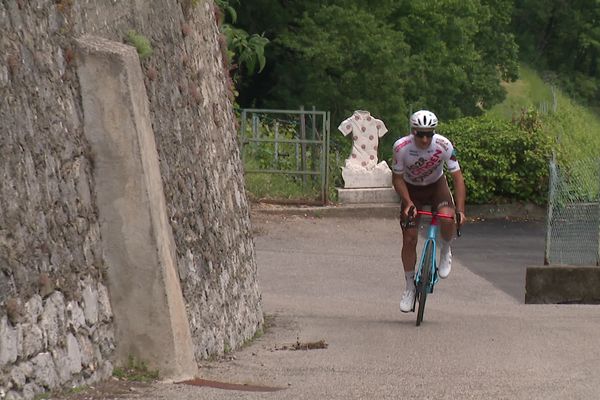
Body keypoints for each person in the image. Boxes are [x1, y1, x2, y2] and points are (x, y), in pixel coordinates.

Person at [391, 110, 466, 313]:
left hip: (436, 186)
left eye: (429, 134)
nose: (424, 139)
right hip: (411, 190)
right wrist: (407, 202)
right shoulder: (401, 147)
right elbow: (397, 179)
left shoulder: (443, 145)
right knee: (409, 239)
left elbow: (458, 178)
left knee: (448, 217)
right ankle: (409, 287)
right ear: (412, 131)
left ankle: (446, 248)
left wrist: (460, 209)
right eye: (420, 134)